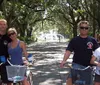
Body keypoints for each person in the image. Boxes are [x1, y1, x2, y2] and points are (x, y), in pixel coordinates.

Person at [60, 20, 99, 85]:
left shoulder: (92, 40)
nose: (84, 29)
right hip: (76, 65)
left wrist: (96, 62)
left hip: (88, 66)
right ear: (79, 29)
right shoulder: (74, 40)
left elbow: (98, 52)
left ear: (88, 29)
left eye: (86, 28)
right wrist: (64, 60)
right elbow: (68, 51)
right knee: (70, 81)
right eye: (82, 27)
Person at [0, 19, 12, 85]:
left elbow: (14, 46)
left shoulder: (9, 37)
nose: (2, 26)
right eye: (1, 24)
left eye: (4, 24)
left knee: (9, 80)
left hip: (6, 60)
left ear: (6, 26)